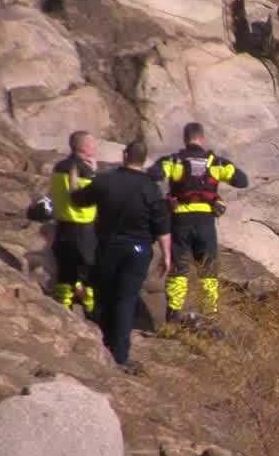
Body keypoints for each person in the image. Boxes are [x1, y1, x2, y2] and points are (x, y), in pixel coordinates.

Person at [71, 140, 171, 371]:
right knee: (126, 299)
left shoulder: (107, 180)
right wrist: (166, 255)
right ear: (144, 160)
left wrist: (78, 177)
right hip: (138, 250)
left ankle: (103, 346)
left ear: (125, 155)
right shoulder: (150, 187)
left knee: (104, 296)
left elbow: (78, 199)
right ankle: (121, 356)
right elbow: (162, 223)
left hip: (108, 247)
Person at [148, 122, 248, 324]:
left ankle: (174, 315)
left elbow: (153, 175)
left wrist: (166, 200)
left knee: (179, 269)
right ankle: (209, 315)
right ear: (202, 139)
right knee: (207, 270)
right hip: (205, 223)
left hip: (180, 221)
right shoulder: (215, 163)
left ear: (185, 139)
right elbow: (242, 180)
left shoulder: (174, 161)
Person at [49, 131, 97, 318]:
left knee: (65, 270)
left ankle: (64, 309)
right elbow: (89, 196)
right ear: (84, 147)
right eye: (93, 144)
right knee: (88, 270)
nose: (96, 147)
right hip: (83, 226)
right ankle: (90, 311)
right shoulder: (84, 170)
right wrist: (94, 173)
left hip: (62, 225)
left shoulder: (58, 166)